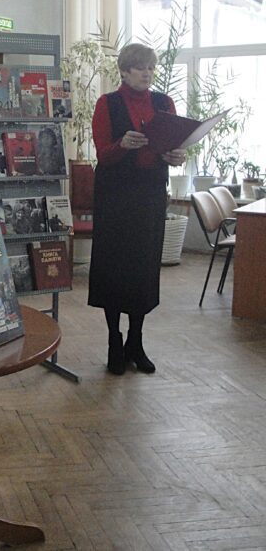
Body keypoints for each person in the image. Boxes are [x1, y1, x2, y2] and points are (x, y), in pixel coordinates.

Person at [87, 43, 185, 376]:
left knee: (143, 270)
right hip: (115, 197)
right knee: (114, 269)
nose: (147, 73)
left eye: (151, 68)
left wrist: (176, 156)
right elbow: (103, 153)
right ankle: (114, 341)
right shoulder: (107, 103)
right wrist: (122, 145)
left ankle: (136, 341)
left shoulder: (163, 103)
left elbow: (174, 146)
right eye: (141, 67)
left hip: (149, 195)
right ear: (125, 71)